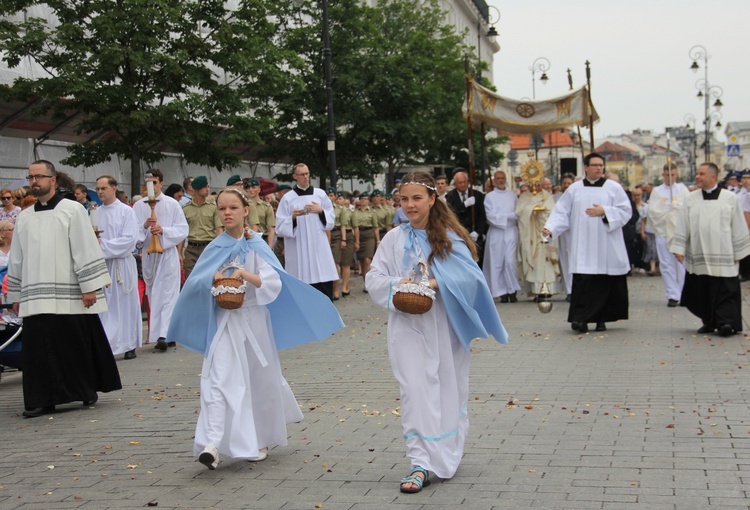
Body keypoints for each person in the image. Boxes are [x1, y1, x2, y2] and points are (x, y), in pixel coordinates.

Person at [167, 188, 343, 470]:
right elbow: (195, 284)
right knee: (216, 378)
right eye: (222, 208)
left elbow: (273, 282)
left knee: (258, 380)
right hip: (225, 322)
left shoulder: (257, 245)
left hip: (255, 320)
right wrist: (212, 278)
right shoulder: (214, 248)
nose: (227, 213)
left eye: (233, 208)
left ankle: (259, 438)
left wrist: (244, 275)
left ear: (245, 210)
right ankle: (211, 443)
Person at [365, 170, 507, 493]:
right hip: (406, 325)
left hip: (443, 325)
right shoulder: (393, 239)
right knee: (413, 390)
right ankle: (420, 462)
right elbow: (373, 278)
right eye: (405, 199)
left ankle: (444, 453)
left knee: (445, 387)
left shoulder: (447, 236)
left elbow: (471, 278)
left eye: (417, 198)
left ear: (432, 198)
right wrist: (400, 285)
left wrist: (433, 282)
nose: (410, 205)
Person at [7, 160, 121, 417]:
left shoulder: (72, 210)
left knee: (72, 345)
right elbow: (17, 258)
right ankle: (42, 399)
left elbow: (84, 247)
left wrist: (89, 287)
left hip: (70, 291)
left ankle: (84, 390)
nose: (34, 181)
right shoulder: (24, 217)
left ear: (53, 180)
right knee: (39, 350)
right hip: (36, 295)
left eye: (39, 177)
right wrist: (15, 295)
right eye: (31, 177)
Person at [543, 153, 631, 333]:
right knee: (584, 282)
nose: (599, 168)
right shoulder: (575, 189)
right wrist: (550, 228)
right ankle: (580, 320)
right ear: (586, 168)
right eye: (595, 165)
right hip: (583, 245)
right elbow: (562, 213)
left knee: (603, 282)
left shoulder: (613, 188)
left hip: (606, 244)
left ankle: (601, 320)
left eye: (601, 165)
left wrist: (605, 211)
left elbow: (625, 211)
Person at [671, 162, 750, 336]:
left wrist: (739, 251)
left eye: (701, 174)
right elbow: (683, 224)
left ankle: (726, 323)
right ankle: (709, 321)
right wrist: (679, 247)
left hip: (724, 253)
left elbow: (738, 225)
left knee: (725, 290)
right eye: (697, 173)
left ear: (713, 177)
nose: (697, 177)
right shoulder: (690, 199)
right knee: (702, 290)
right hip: (699, 253)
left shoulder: (730, 198)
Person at [133, 169, 188, 351]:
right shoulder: (140, 205)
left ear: (161, 183)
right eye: (147, 182)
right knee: (154, 294)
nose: (151, 185)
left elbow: (182, 229)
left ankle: (167, 334)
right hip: (149, 255)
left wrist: (163, 231)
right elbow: (134, 233)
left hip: (167, 253)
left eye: (154, 182)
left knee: (169, 294)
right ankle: (157, 334)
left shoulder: (172, 204)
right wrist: (144, 226)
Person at [275, 163, 338, 299]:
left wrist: (321, 211)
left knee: (323, 287)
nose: (305, 177)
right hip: (298, 247)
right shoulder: (288, 198)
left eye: (307, 173)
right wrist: (292, 218)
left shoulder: (320, 194)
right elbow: (279, 226)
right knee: (301, 289)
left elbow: (331, 218)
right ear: (295, 176)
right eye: (302, 174)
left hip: (318, 247)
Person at [95, 175, 142, 360]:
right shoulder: (96, 212)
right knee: (106, 306)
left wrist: (101, 247)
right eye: (98, 188)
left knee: (125, 304)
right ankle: (107, 343)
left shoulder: (126, 211)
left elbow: (130, 239)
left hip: (122, 265)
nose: (100, 192)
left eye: (103, 188)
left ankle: (129, 344)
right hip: (103, 265)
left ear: (114, 188)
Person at [646, 163, 690, 306]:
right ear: (663, 175)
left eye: (673, 175)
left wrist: (676, 209)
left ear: (676, 175)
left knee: (681, 263)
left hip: (679, 231)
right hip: (663, 231)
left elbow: (688, 207)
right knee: (666, 263)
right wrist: (668, 212)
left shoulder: (682, 190)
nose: (670, 177)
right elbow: (653, 212)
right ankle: (672, 294)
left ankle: (684, 293)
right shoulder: (657, 191)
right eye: (667, 175)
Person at [515, 178, 561, 299]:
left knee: (546, 262)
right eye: (532, 183)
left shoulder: (546, 196)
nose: (535, 185)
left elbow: (552, 211)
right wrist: (531, 209)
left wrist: (542, 211)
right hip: (530, 235)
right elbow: (520, 213)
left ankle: (547, 289)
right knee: (533, 262)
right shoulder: (524, 196)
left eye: (538, 182)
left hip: (544, 233)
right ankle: (536, 290)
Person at [482, 171, 521, 302]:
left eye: (502, 178)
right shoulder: (490, 197)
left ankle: (512, 289)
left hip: (510, 231)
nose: (500, 180)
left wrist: (507, 217)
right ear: (494, 180)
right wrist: (509, 216)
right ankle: (501, 292)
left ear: (505, 179)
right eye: (497, 178)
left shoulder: (512, 195)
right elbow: (491, 217)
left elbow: (518, 213)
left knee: (510, 261)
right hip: (496, 232)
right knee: (497, 262)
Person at [182, 176, 222, 279]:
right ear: (196, 189)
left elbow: (219, 230)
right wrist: (179, 253)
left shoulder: (213, 208)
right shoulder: (186, 209)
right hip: (191, 248)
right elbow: (182, 232)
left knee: (208, 278)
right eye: (204, 187)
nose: (207, 189)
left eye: (208, 187)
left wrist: (219, 249)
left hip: (208, 246)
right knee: (190, 279)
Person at [445, 170, 487, 267]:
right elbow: (452, 214)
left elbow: (482, 216)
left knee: (477, 263)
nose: (463, 184)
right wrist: (464, 205)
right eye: (460, 182)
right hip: (459, 235)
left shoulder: (477, 195)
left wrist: (478, 232)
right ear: (455, 184)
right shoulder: (450, 196)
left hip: (475, 235)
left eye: (465, 182)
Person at [352, 192, 379, 292]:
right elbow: (355, 227)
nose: (364, 201)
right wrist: (356, 241)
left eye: (366, 199)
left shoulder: (372, 212)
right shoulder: (355, 212)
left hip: (369, 235)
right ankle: (366, 282)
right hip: (359, 235)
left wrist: (378, 240)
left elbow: (375, 227)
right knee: (362, 261)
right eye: (362, 199)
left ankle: (369, 283)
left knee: (368, 260)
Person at [556, 173, 575, 300]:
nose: (567, 186)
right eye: (565, 183)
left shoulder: (578, 196)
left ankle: (576, 289)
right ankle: (569, 290)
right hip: (562, 233)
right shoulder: (555, 198)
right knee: (565, 261)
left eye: (569, 183)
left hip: (576, 232)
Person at [245, 178, 275, 248]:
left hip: (262, 238)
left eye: (253, 187)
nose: (250, 190)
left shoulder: (266, 207)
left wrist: (270, 247)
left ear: (259, 189)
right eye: (248, 188)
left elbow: (271, 228)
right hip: (246, 237)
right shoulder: (244, 205)